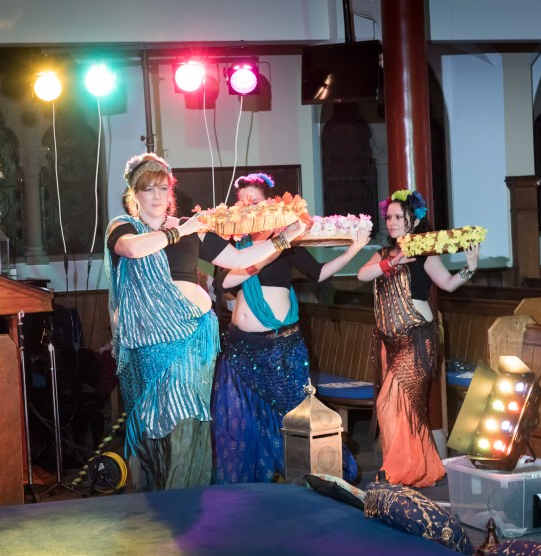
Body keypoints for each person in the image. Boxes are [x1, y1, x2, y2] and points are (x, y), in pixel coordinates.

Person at [104, 154, 306, 492]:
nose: (157, 196)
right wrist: (180, 230)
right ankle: (153, 496)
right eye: (148, 189)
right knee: (154, 422)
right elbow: (133, 250)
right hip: (149, 343)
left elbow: (240, 258)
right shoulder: (124, 226)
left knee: (187, 419)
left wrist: (283, 240)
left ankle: (184, 496)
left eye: (163, 188)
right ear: (134, 194)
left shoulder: (191, 228)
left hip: (193, 339)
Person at [211, 172, 370, 484]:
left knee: (295, 412)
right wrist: (266, 249)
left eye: (254, 202)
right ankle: (252, 483)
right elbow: (225, 282)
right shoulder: (234, 246)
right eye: (242, 202)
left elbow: (319, 273)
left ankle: (323, 473)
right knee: (242, 418)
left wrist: (352, 251)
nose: (247, 208)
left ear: (270, 204)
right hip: (239, 347)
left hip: (280, 347)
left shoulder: (287, 242)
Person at [357, 189, 480, 488]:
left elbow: (448, 284)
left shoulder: (425, 253)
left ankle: (401, 471)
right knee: (400, 408)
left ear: (413, 220)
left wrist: (470, 268)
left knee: (390, 403)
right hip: (388, 340)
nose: (392, 222)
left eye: (398, 217)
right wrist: (392, 262)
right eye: (389, 217)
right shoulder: (383, 255)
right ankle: (419, 468)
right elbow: (362, 275)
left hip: (416, 338)